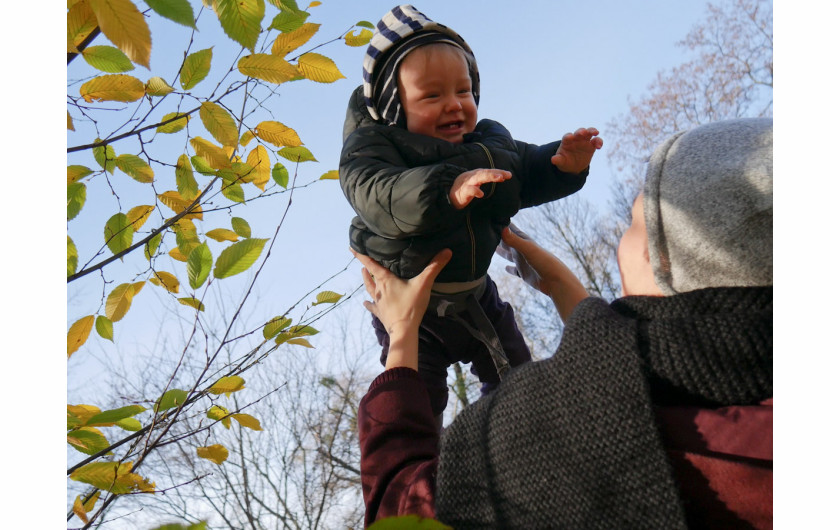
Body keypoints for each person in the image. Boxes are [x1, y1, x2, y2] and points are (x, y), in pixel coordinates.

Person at [355, 117, 773, 528]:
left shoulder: (555, 443)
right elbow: (656, 368)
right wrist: (560, 286)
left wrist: (403, 336)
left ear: (661, 258)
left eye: (634, 225)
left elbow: (401, 506)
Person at [340, 4, 602, 422]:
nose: (454, 105)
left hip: (476, 297)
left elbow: (521, 171)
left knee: (519, 384)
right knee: (417, 403)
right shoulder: (377, 147)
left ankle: (520, 445)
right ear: (394, 105)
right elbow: (377, 194)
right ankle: (433, 469)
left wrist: (562, 164)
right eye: (432, 95)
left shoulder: (487, 142)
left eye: (463, 91)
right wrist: (448, 188)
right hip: (411, 309)